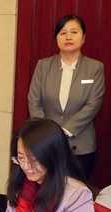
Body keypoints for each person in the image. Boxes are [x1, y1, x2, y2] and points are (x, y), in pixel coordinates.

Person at [27, 15, 105, 181]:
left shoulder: (95, 68)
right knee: (48, 191)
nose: (68, 37)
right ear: (56, 38)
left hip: (81, 146)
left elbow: (93, 104)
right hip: (47, 145)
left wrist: (64, 130)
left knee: (76, 192)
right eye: (63, 33)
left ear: (83, 38)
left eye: (74, 32)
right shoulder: (43, 66)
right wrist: (48, 132)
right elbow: (34, 101)